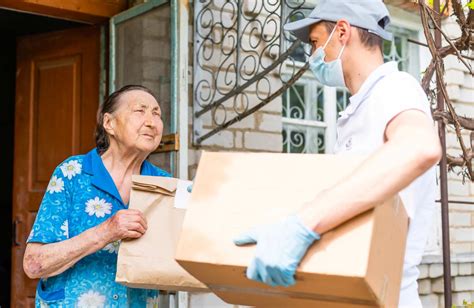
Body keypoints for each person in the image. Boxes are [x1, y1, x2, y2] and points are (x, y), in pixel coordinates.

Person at [233, 1, 441, 307]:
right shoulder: (359, 108)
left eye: (316, 43)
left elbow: (419, 147)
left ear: (342, 32)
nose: (313, 56)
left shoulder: (395, 88)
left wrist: (304, 224)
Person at [23, 85, 170, 307]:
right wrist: (107, 231)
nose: (151, 121)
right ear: (109, 123)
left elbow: (173, 268)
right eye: (140, 111)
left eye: (156, 113)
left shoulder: (164, 185)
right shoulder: (72, 173)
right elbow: (33, 264)